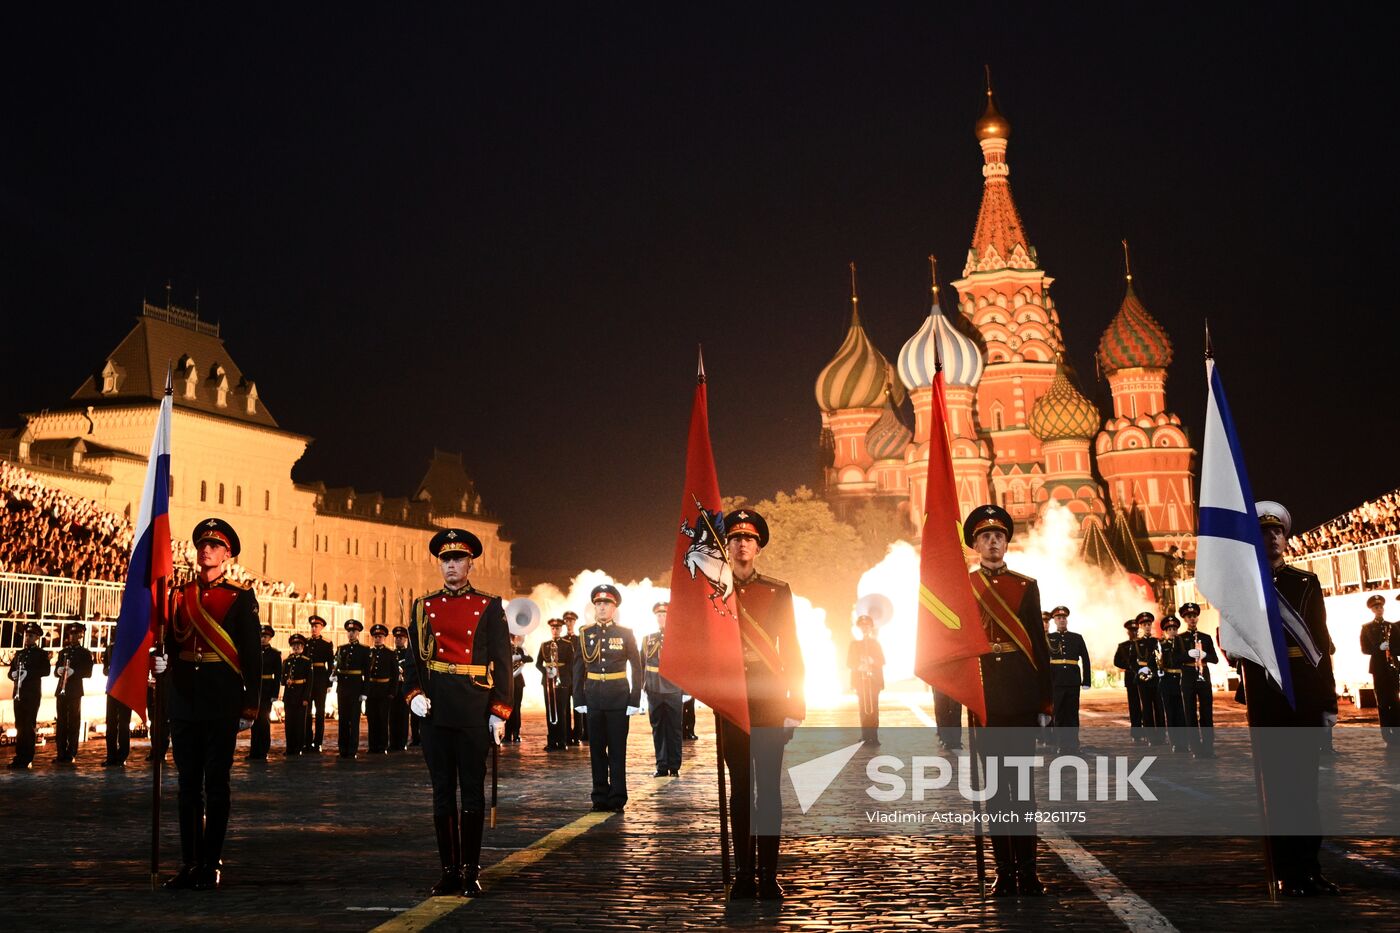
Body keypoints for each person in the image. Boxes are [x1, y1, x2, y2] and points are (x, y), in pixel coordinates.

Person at [401, 528, 513, 897]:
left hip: (473, 708)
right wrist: (413, 692)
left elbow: (502, 661)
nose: (451, 566)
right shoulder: (422, 606)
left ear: (469, 563)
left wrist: (499, 710)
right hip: (436, 709)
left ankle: (470, 869)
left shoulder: (489, 605)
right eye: (445, 560)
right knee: (442, 791)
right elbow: (413, 658)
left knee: (472, 792)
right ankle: (448, 870)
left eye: (458, 559)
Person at [156, 518, 261, 889]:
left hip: (220, 700)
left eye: (214, 546)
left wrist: (251, 704)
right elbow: (171, 642)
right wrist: (161, 662)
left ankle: (211, 861)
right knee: (187, 785)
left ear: (227, 554)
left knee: (216, 784)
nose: (206, 551)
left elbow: (251, 655)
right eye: (202, 544)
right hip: (185, 699)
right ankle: (189, 861)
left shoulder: (239, 596)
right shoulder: (179, 594)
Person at [1240, 501, 1339, 896]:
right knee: (1277, 790)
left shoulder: (1306, 583)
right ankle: (1286, 871)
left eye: (1277, 531)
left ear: (1286, 537)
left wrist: (1328, 702)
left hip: (1304, 697)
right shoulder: (1246, 587)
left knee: (1305, 788)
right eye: (1264, 532)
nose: (1272, 538)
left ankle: (1309, 868)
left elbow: (1321, 646)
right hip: (1268, 697)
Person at [963, 504, 1052, 897]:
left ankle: (1029, 871)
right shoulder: (964, 587)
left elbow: (1040, 647)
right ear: (975, 545)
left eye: (998, 536)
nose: (993, 541)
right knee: (996, 790)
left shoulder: (1025, 585)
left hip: (1019, 697)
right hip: (985, 699)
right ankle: (1004, 870)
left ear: (1006, 542)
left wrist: (1045, 704)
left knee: (1023, 788)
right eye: (985, 537)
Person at [717, 509, 805, 900]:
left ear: (758, 547)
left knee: (769, 790)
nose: (741, 544)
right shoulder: (713, 593)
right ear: (727, 546)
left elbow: (793, 649)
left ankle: (768, 874)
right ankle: (744, 874)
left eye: (748, 539)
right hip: (732, 701)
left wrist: (794, 704)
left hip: (770, 700)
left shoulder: (777, 590)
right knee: (740, 791)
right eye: (735, 538)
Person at [571, 583, 643, 812]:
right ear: (594, 607)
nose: (602, 608)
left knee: (617, 750)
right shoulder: (585, 633)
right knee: (596, 750)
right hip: (593, 698)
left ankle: (618, 796)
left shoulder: (625, 633)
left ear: (614, 608)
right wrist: (579, 699)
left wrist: (634, 699)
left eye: (607, 604)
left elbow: (637, 667)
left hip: (618, 698)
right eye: (599, 603)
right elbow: (578, 669)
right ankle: (599, 795)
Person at [643, 600, 683, 776]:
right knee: (658, 728)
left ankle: (674, 765)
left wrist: (687, 691)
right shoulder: (647, 639)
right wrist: (643, 688)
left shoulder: (679, 637)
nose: (661, 618)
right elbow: (641, 664)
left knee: (674, 728)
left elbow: (686, 665)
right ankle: (661, 765)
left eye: (664, 615)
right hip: (654, 689)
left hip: (673, 689)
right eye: (658, 615)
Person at [1046, 606, 1090, 753]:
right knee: (1058, 714)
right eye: (1059, 618)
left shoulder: (1076, 637)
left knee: (1072, 714)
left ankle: (1073, 744)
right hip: (1056, 681)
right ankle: (1061, 744)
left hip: (1072, 681)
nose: (1062, 620)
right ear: (1054, 621)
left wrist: (1087, 680)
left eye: (1064, 618)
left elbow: (1086, 659)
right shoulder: (1048, 638)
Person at [8, 621, 50, 769]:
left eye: (31, 636)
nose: (28, 638)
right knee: (19, 725)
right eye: (27, 635)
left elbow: (46, 671)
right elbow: (10, 672)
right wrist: (13, 674)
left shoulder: (41, 654)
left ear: (37, 637)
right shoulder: (20, 654)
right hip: (19, 693)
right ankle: (19, 756)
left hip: (32, 694)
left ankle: (27, 757)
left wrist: (29, 673)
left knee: (28, 725)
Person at [1179, 603, 1218, 758]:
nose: (1192, 619)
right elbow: (1173, 660)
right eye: (1189, 617)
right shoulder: (1179, 639)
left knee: (1206, 713)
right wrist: (1188, 654)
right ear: (1184, 619)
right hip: (1188, 677)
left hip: (1203, 675)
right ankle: (1195, 747)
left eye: (1194, 616)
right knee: (1190, 713)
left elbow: (1214, 659)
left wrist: (1204, 655)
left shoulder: (1205, 638)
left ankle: (1208, 746)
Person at [1360, 594, 1399, 745]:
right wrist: (1378, 648)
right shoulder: (1367, 628)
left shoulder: (1392, 626)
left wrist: (1393, 650)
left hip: (1392, 668)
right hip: (1378, 668)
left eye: (1381, 607)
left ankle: (1397, 733)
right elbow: (1364, 649)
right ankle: (1387, 734)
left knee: (1395, 701)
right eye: (1376, 607)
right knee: (1382, 701)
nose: (1379, 609)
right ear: (1372, 610)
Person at [53, 621, 94, 764]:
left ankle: (71, 753)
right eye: (71, 633)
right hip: (61, 691)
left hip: (75, 691)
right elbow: (56, 670)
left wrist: (74, 672)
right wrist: (58, 671)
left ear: (81, 635)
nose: (73, 636)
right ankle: (60, 752)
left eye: (76, 634)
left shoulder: (84, 653)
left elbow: (88, 673)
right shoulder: (63, 652)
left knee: (73, 723)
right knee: (61, 723)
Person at [536, 617, 575, 750]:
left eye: (557, 628)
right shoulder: (544, 645)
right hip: (548, 680)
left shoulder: (567, 644)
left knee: (562, 711)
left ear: (561, 629)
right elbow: (538, 664)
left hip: (562, 680)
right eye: (553, 628)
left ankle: (562, 741)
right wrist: (547, 671)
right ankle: (552, 741)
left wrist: (558, 671)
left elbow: (572, 663)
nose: (555, 630)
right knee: (550, 711)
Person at [847, 614, 885, 745]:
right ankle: (865, 735)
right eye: (862, 626)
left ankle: (873, 736)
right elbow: (849, 662)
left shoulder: (875, 644)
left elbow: (882, 661)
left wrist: (872, 661)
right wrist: (859, 665)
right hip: (860, 680)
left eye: (867, 626)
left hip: (873, 680)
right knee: (863, 709)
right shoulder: (854, 644)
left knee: (873, 708)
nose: (864, 628)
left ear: (870, 628)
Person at [336, 620, 370, 759]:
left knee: (354, 719)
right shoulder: (341, 648)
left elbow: (367, 673)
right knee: (343, 719)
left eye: (353, 632)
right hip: (343, 688)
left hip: (356, 688)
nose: (351, 634)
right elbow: (337, 665)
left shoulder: (364, 650)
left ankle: (352, 749)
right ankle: (342, 748)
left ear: (358, 633)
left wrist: (364, 692)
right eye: (349, 631)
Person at [1157, 616, 1189, 753]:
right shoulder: (1161, 645)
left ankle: (1184, 742)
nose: (1172, 631)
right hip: (1167, 680)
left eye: (1174, 629)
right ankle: (1175, 742)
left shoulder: (1183, 644)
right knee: (1171, 713)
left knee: (1182, 713)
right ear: (1165, 631)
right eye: (1169, 629)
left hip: (1181, 679)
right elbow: (1156, 661)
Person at [249, 625, 281, 760]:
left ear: (270, 638)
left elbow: (278, 676)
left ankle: (263, 750)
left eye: (266, 637)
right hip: (255, 689)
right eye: (261, 636)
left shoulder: (274, 654)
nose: (263, 639)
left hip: (267, 690)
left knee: (264, 721)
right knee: (253, 721)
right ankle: (254, 751)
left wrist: (275, 694)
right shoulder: (253, 652)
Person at [304, 614, 334, 753]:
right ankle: (307, 741)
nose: (314, 629)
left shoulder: (326, 643)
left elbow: (330, 664)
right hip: (308, 681)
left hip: (320, 679)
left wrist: (328, 682)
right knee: (307, 712)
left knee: (320, 712)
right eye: (312, 626)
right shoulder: (306, 642)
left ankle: (318, 742)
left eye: (316, 626)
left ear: (321, 628)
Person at [365, 623, 397, 754]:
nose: (378, 639)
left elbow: (395, 674)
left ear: (384, 638)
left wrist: (392, 691)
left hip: (384, 691)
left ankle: (382, 745)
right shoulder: (369, 652)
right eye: (376, 636)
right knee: (371, 719)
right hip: (371, 690)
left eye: (380, 636)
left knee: (383, 719)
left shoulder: (389, 653)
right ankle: (372, 746)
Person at [1113, 620, 1145, 744]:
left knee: (1146, 705)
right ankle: (1136, 732)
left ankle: (1148, 730)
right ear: (1128, 632)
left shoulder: (1144, 643)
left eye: (1136, 630)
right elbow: (1116, 661)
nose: (1134, 633)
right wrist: (1129, 666)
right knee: (1134, 706)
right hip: (1131, 677)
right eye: (1132, 631)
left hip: (1144, 676)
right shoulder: (1123, 646)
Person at [281, 634, 312, 756]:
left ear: (303, 647)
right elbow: (282, 679)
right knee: (289, 722)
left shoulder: (306, 661)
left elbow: (309, 681)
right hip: (289, 695)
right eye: (294, 645)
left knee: (299, 723)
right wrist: (285, 680)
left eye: (299, 645)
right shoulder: (287, 661)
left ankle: (299, 747)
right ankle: (290, 747)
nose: (296, 647)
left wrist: (306, 697)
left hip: (300, 695)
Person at [102, 647, 132, 766]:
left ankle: (122, 755)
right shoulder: (110, 649)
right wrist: (108, 670)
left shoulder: (130, 646)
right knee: (110, 724)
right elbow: (104, 668)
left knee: (124, 725)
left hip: (126, 690)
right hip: (112, 689)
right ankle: (111, 756)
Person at [390, 625, 416, 751]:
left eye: (401, 638)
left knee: (403, 716)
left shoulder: (409, 654)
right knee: (393, 716)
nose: (398, 640)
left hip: (404, 687)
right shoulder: (391, 654)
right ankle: (393, 742)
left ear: (405, 639)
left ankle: (402, 742)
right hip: (394, 687)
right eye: (397, 638)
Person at [563, 611, 587, 745]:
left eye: (571, 621)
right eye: (566, 621)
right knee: (565, 708)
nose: (569, 623)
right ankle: (566, 735)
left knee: (578, 708)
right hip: (566, 679)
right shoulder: (561, 641)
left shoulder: (579, 639)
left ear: (574, 622)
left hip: (578, 678)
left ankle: (578, 734)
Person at [504, 634, 531, 743]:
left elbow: (530, 658)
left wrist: (519, 657)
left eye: (512, 637)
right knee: (507, 707)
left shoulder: (519, 649)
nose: (511, 639)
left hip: (518, 682)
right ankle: (507, 734)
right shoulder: (503, 648)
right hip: (507, 681)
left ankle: (516, 733)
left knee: (516, 708)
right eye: (510, 637)